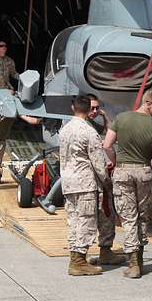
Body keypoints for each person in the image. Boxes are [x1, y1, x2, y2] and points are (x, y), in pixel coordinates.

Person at [102, 88, 152, 279]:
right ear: (148, 104)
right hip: (144, 171)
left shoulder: (121, 119)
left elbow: (106, 145)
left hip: (123, 170)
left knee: (128, 218)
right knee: (142, 216)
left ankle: (133, 263)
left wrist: (114, 160)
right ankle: (140, 258)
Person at [60, 96, 110, 276]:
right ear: (89, 109)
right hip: (85, 182)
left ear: (73, 108)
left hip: (68, 182)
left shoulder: (64, 130)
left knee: (73, 220)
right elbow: (98, 162)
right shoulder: (89, 132)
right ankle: (79, 261)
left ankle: (75, 257)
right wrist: (106, 181)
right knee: (87, 221)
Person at [86, 95, 124, 266]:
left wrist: (104, 115)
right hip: (90, 179)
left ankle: (105, 251)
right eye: (91, 108)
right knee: (86, 217)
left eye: (96, 108)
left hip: (103, 178)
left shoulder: (94, 124)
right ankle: (79, 255)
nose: (94, 112)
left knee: (106, 215)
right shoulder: (83, 128)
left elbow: (110, 133)